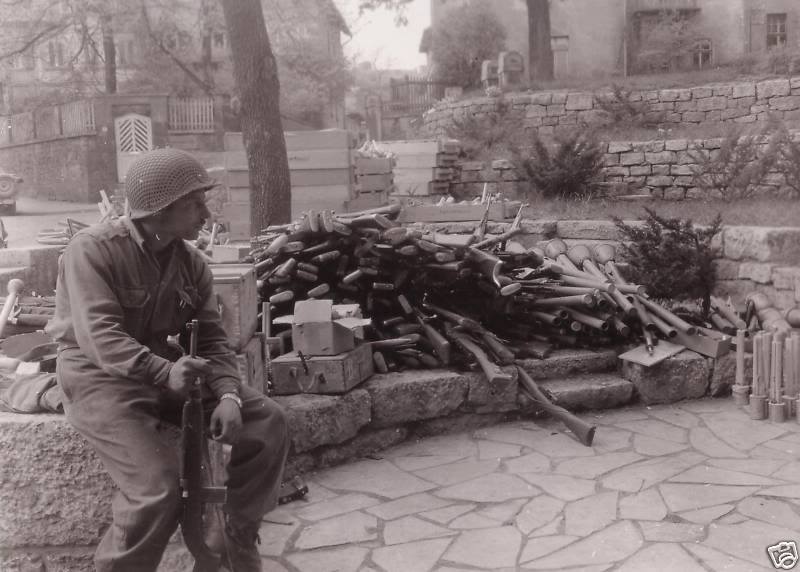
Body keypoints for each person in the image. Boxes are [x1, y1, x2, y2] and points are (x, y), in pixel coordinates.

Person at [47, 148, 289, 572]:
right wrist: (164, 371)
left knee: (267, 421)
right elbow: (100, 337)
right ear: (159, 210)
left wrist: (228, 394)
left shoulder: (190, 261)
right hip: (97, 377)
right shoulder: (93, 251)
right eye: (194, 204)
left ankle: (233, 537)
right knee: (156, 488)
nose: (206, 214)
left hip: (164, 371)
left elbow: (212, 338)